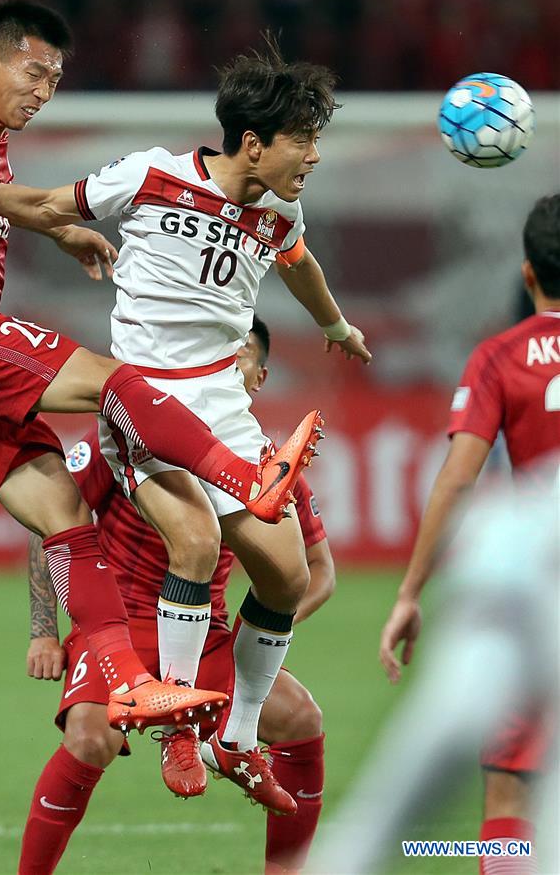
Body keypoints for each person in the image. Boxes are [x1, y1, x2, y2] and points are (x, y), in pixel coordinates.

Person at [0, 36, 371, 813]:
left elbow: (300, 266)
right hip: (140, 402)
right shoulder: (151, 174)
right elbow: (45, 206)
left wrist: (334, 327)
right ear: (255, 142)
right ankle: (177, 729)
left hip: (224, 408)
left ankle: (236, 735)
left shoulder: (279, 209)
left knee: (288, 575)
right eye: (304, 140)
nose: (314, 157)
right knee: (194, 541)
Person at [0, 0, 324, 734]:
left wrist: (71, 236)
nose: (43, 91)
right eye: (34, 72)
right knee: (117, 383)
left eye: (55, 79)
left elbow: (12, 207)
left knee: (66, 520)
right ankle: (246, 480)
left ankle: (130, 682)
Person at [22, 318, 337, 875]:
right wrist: (45, 632)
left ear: (258, 377)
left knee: (301, 718)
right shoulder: (132, 436)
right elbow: (51, 525)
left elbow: (317, 572)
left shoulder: (268, 467)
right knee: (90, 739)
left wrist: (256, 647)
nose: (226, 365)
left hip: (204, 637)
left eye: (240, 357)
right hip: (118, 629)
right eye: (218, 355)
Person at [379, 194, 560, 874]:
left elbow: (457, 477)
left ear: (526, 274)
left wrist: (409, 590)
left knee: (508, 794)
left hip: (538, 585)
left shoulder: (499, 355)